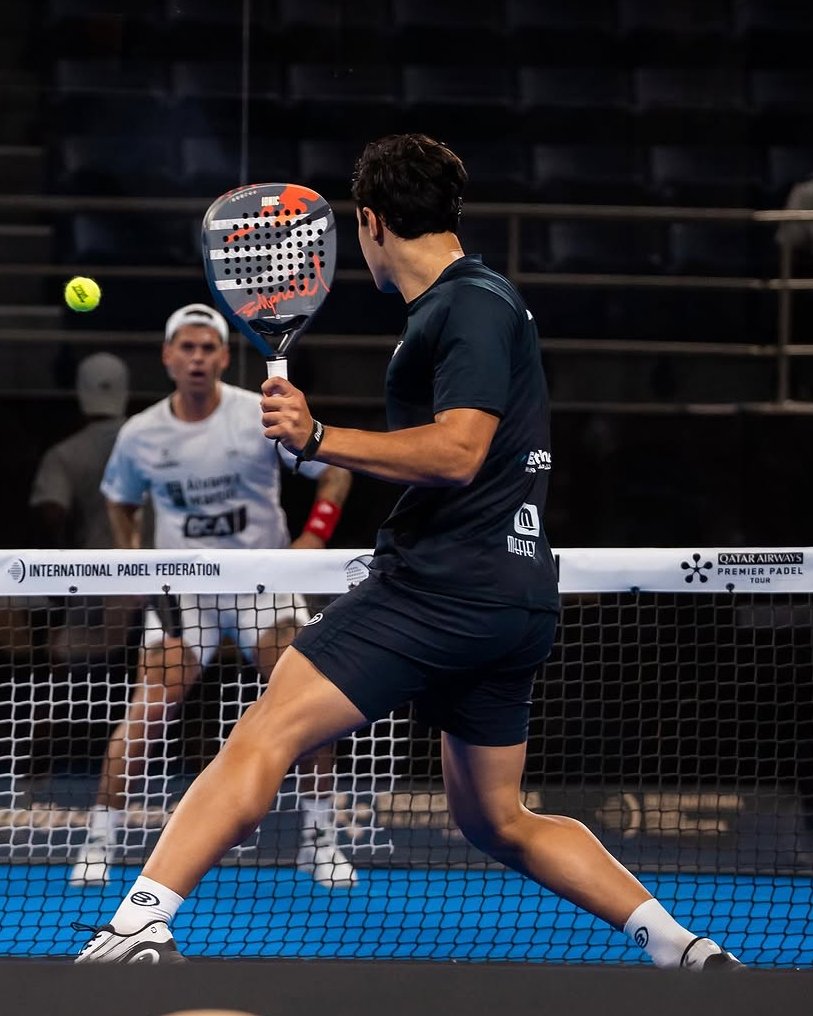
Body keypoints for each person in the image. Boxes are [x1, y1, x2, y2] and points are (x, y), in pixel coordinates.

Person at [75, 136, 740, 969]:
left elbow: (458, 452)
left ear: (371, 222)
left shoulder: (467, 307)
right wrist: (317, 440)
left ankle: (135, 925)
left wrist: (320, 435)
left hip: (441, 586)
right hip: (512, 599)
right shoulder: (474, 304)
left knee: (263, 732)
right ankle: (684, 950)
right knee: (496, 820)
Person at [69, 303, 355, 891]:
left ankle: (321, 840)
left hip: (262, 583)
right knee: (151, 706)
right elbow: (118, 501)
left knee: (308, 705)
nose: (197, 358)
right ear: (169, 357)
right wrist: (131, 555)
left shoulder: (259, 414)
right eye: (187, 348)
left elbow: (335, 472)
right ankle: (100, 839)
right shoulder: (141, 434)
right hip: (186, 588)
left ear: (224, 358)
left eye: (208, 349)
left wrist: (313, 535)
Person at [29, 351, 129, 550]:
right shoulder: (159, 447)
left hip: (92, 569)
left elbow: (52, 513)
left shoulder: (65, 454)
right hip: (153, 568)